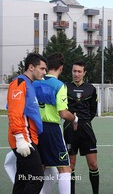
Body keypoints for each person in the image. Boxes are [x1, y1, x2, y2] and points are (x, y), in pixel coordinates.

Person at [33, 52, 78, 194]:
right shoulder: (60, 86)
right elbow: (63, 113)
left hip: (35, 128)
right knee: (65, 168)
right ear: (61, 68)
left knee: (43, 167)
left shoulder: (35, 82)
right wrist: (74, 118)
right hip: (51, 129)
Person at [7, 53, 47, 193]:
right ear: (31, 67)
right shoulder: (20, 83)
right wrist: (19, 138)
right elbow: (14, 112)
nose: (44, 72)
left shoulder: (29, 85)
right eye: (42, 68)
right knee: (37, 178)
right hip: (24, 138)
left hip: (30, 137)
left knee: (22, 179)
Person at [63, 61, 99, 194]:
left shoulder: (91, 88)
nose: (76, 74)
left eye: (79, 71)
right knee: (71, 165)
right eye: (74, 71)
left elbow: (93, 110)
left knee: (93, 165)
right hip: (69, 129)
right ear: (71, 71)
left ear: (84, 73)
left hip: (86, 129)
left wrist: (84, 121)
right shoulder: (64, 87)